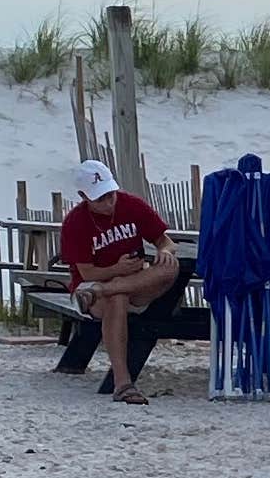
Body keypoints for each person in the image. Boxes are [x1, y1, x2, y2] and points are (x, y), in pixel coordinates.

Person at [58, 159, 180, 402]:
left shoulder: (132, 205)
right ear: (84, 196)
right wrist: (116, 268)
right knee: (118, 299)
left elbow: (165, 241)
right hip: (91, 287)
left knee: (170, 268)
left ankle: (106, 290)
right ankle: (123, 383)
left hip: (118, 284)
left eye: (110, 194)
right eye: (100, 198)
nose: (109, 202)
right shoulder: (75, 222)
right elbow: (87, 273)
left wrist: (164, 252)